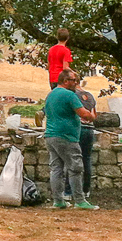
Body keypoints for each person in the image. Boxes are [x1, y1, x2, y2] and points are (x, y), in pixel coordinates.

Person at [43, 68, 97, 209]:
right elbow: (83, 114)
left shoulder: (51, 95)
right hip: (66, 136)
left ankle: (58, 200)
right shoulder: (69, 95)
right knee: (75, 167)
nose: (76, 83)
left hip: (51, 135)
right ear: (65, 81)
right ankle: (80, 200)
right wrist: (92, 116)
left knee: (56, 169)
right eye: (74, 80)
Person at [64, 81, 97, 203]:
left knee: (72, 160)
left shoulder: (72, 95)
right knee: (87, 159)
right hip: (90, 130)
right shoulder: (89, 96)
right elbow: (94, 114)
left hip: (77, 129)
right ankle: (86, 189)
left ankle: (68, 191)